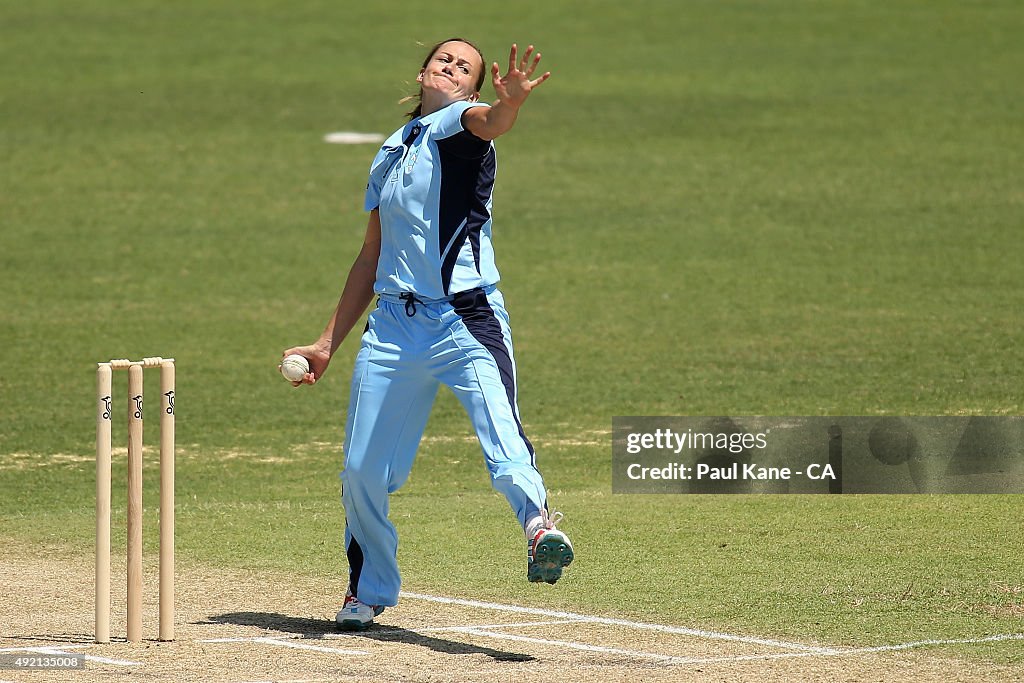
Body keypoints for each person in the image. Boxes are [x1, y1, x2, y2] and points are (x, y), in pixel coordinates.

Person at [282, 38, 574, 631]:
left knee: (501, 434)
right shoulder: (391, 151)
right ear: (422, 71)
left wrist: (509, 103)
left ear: (471, 88)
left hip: (464, 319)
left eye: (464, 67)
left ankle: (538, 525)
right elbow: (371, 255)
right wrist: (325, 344)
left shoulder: (460, 126)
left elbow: (492, 122)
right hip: (391, 327)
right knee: (362, 470)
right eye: (443, 59)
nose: (450, 66)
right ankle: (366, 590)